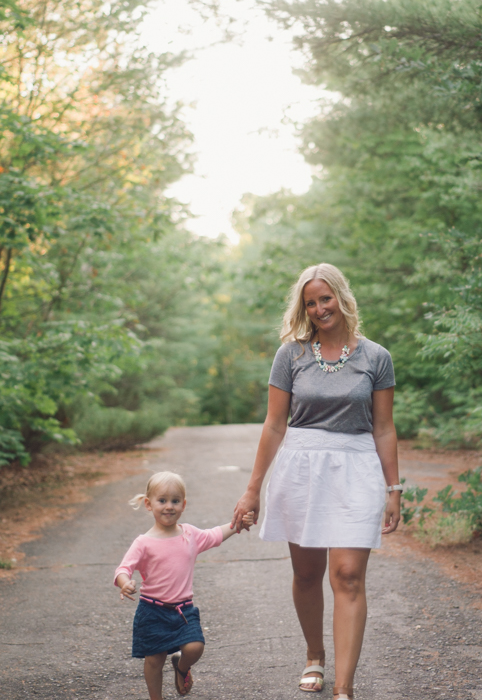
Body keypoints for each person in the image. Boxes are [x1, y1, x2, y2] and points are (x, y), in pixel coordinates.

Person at [231, 263, 402, 700]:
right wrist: (252, 488)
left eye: (325, 298)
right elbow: (273, 425)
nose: (320, 308)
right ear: (303, 308)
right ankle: (314, 656)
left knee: (347, 576)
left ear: (341, 298)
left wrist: (393, 489)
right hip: (302, 467)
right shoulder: (291, 355)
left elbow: (384, 428)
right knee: (307, 574)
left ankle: (344, 688)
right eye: (311, 302)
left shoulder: (375, 357)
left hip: (356, 467)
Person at [115, 470, 255, 700]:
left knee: (195, 647)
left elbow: (215, 535)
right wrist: (124, 582)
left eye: (175, 501)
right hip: (152, 610)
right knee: (154, 659)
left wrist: (238, 524)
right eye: (162, 501)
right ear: (149, 505)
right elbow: (123, 568)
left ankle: (181, 667)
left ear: (183, 504)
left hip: (183, 609)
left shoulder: (190, 534)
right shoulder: (143, 542)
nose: (169, 506)